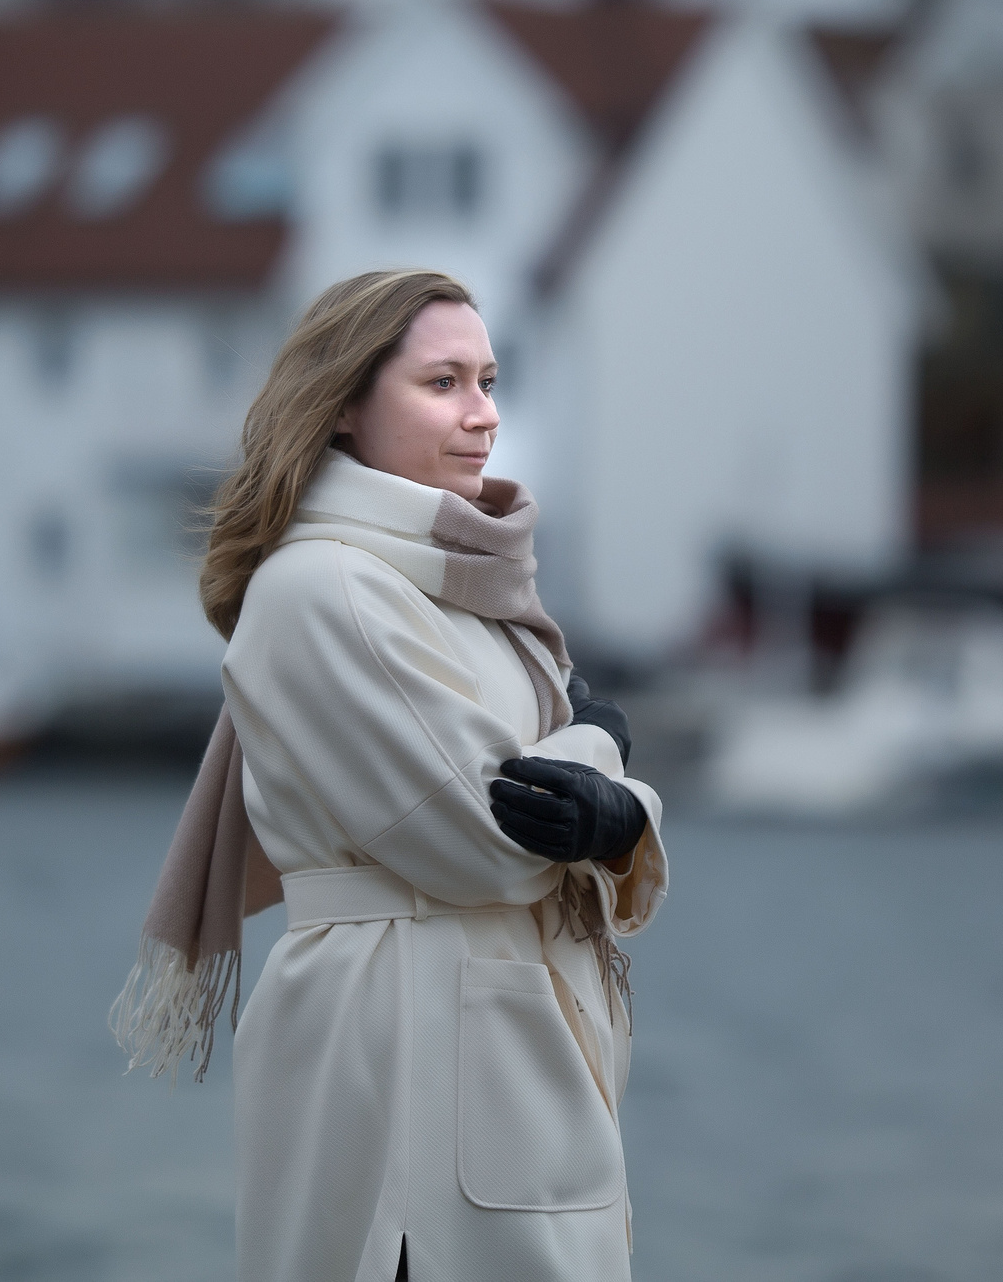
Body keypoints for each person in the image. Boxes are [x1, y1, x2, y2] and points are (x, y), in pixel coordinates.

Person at [113, 269, 669, 1282]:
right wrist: (604, 761)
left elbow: (528, 806)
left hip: (501, 1066)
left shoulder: (467, 590)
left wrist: (611, 808)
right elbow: (484, 836)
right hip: (406, 1067)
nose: (482, 413)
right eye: (442, 382)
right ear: (343, 406)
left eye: (489, 381)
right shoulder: (324, 585)